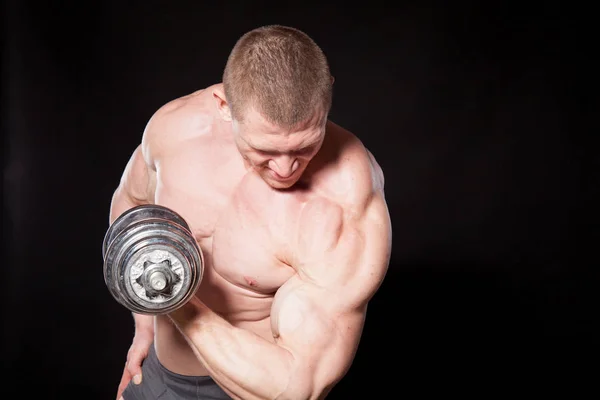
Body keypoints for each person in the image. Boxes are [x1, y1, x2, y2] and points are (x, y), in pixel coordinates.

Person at [109, 24, 392, 400]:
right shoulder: (174, 131)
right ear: (225, 106)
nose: (286, 169)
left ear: (327, 100)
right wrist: (144, 325)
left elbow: (300, 386)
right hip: (162, 377)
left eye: (305, 147)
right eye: (265, 151)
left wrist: (168, 300)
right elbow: (132, 201)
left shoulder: (344, 198)